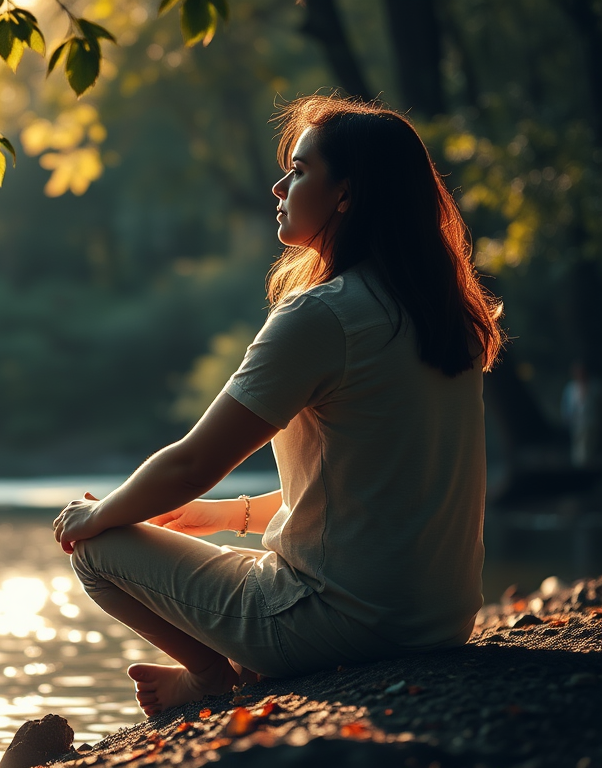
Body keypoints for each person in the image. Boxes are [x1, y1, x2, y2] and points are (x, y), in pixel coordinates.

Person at [52, 94, 505, 718]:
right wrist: (223, 516)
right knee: (203, 547)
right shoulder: (442, 314)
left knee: (95, 545)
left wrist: (96, 519)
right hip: (439, 619)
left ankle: (212, 678)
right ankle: (232, 663)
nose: (278, 184)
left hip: (343, 624)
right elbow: (376, 485)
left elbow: (190, 463)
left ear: (346, 193)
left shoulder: (323, 315)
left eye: (298, 169)